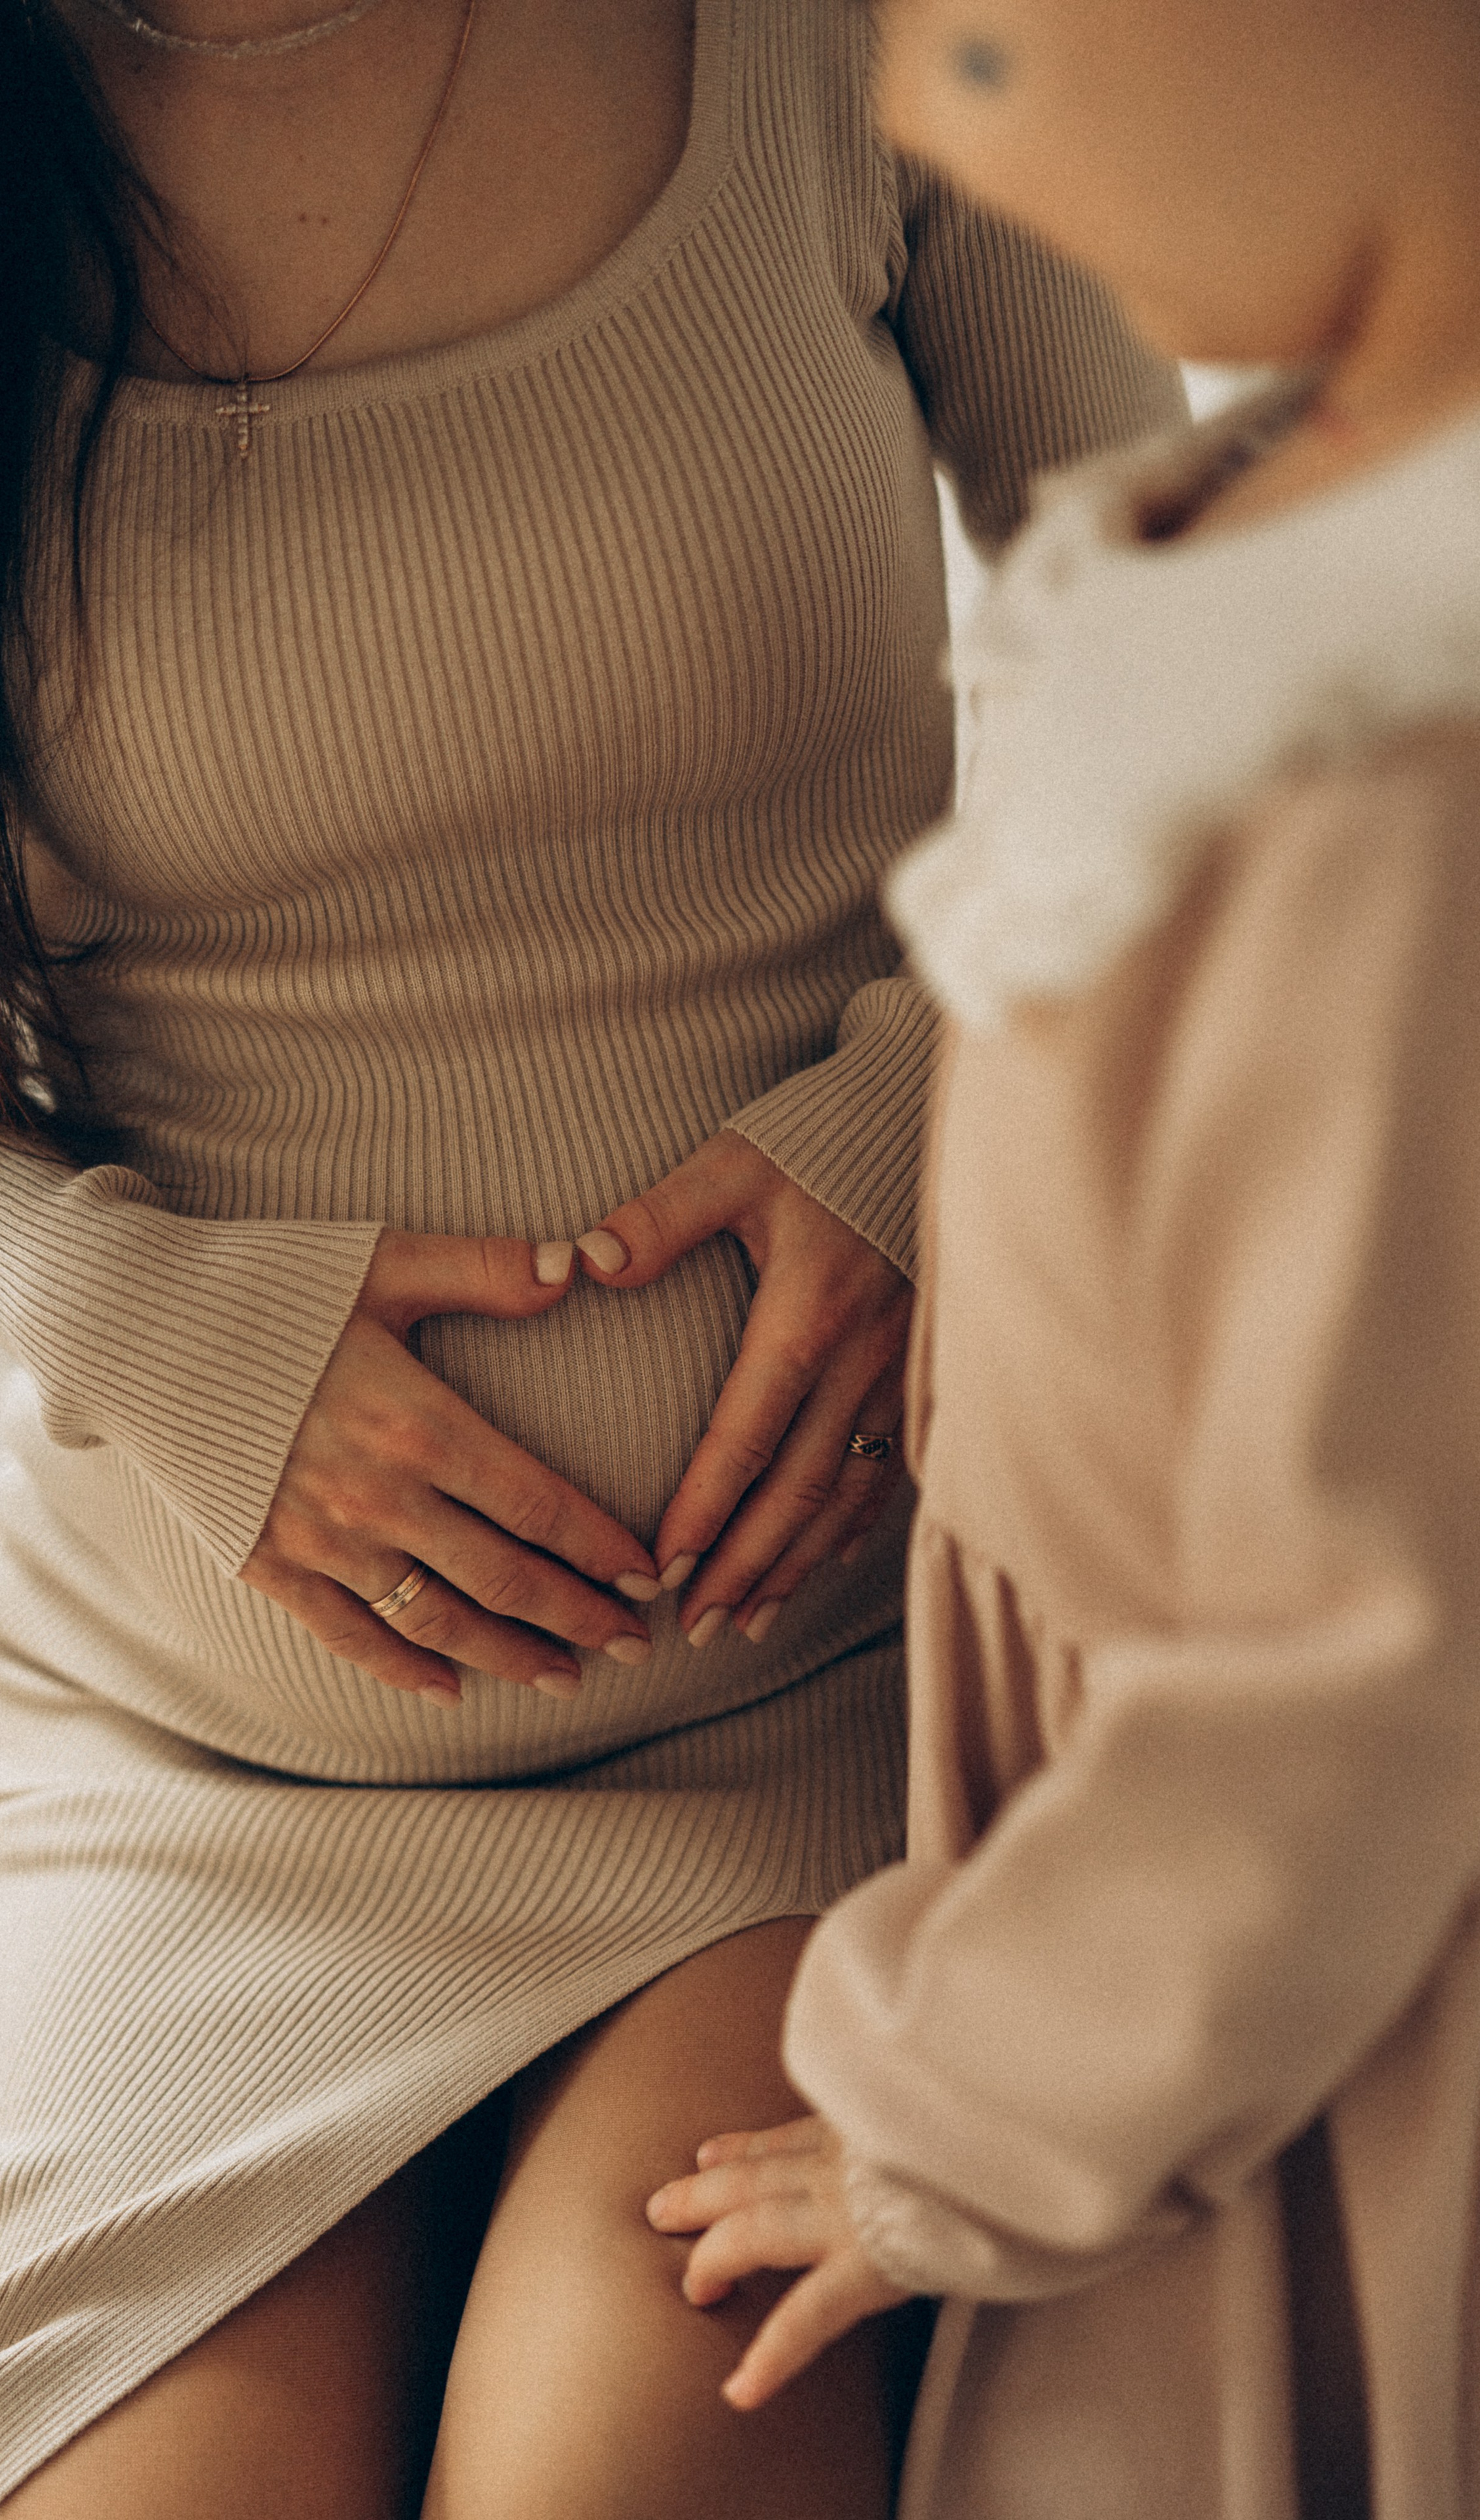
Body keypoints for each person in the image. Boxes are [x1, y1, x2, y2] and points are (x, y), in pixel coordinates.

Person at [0, 3, 1176, 2513]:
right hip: (221, 1762)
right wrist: (148, 1325)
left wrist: (934, 1109)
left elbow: (1207, 616)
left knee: (620, 2464)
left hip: (844, 1672)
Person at [648, 1, 1480, 2513]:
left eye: (981, 38)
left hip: (1247, 1970)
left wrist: (970, 2129)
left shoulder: (1400, 785)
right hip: (1092, 1799)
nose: (904, 107)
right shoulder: (1267, 517)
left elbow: (1352, 1678)